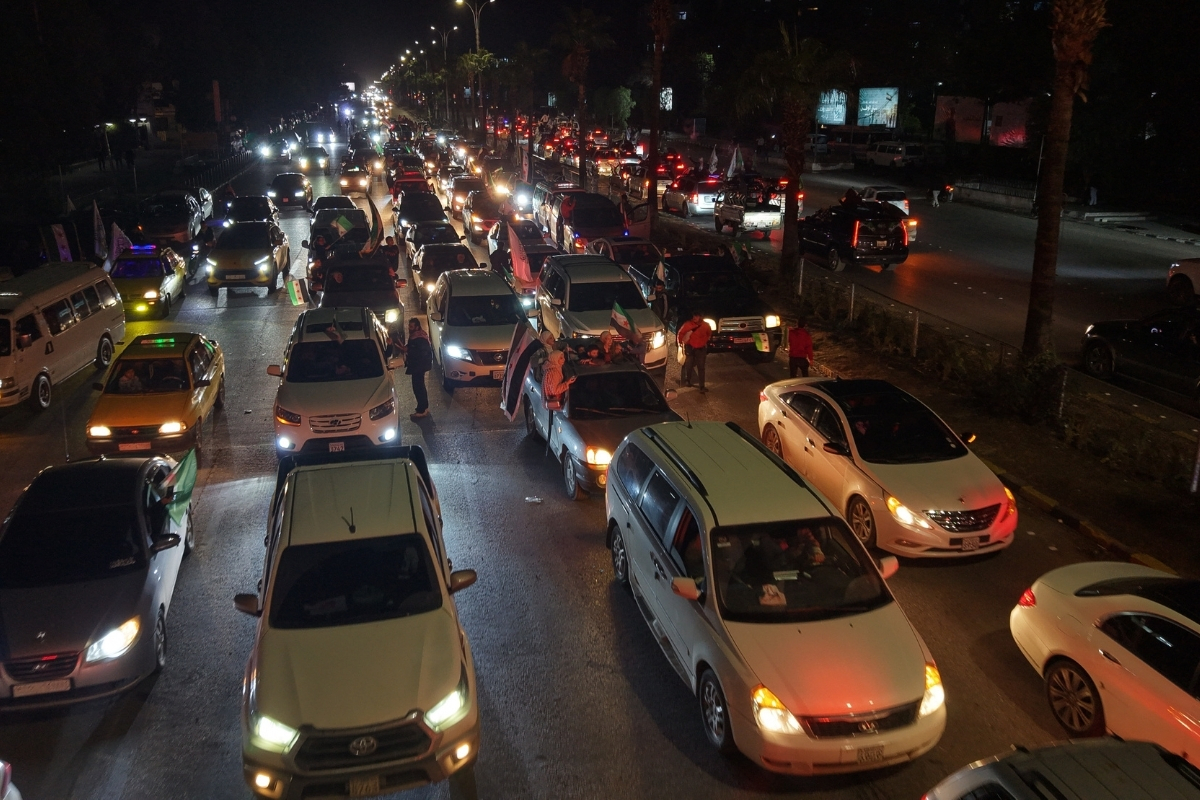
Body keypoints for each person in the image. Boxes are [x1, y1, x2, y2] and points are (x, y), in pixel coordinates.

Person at [403, 318, 433, 419]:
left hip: (419, 366)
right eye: (409, 326)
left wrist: (408, 350)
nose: (409, 328)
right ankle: (423, 407)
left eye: (411, 326)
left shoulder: (420, 338)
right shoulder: (415, 336)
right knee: (419, 386)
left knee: (418, 387)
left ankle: (422, 409)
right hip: (418, 365)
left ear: (417, 327)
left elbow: (420, 352)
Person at [677, 311, 712, 391]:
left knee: (701, 367)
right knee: (689, 364)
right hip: (690, 347)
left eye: (696, 316)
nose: (694, 318)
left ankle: (701, 385)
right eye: (693, 316)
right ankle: (687, 380)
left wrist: (703, 342)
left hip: (701, 348)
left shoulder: (705, 325)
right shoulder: (688, 324)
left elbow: (708, 334)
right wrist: (681, 343)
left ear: (700, 316)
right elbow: (681, 333)